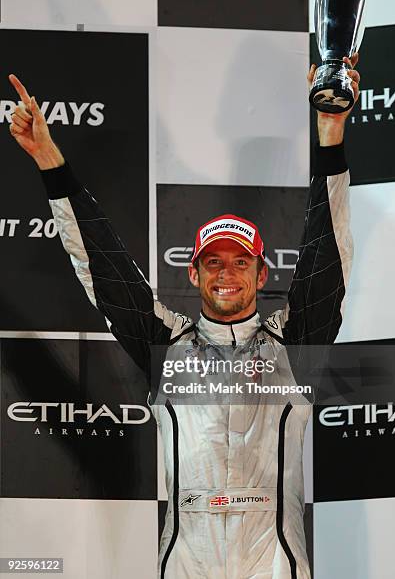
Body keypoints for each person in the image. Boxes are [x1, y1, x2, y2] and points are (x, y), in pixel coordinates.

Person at [8, 56, 360, 579]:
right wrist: (50, 162)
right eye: (213, 262)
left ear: (262, 276)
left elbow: (325, 257)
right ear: (193, 275)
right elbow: (102, 266)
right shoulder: (165, 346)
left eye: (240, 263)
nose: (226, 274)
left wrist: (329, 134)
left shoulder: (294, 344)